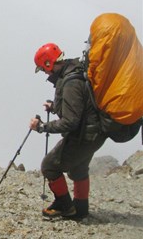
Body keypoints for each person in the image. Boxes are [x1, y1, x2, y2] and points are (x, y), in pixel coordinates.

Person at [29, 43, 106, 219]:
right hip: (94, 134)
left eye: (43, 69)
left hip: (84, 136)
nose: (45, 73)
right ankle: (80, 210)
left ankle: (64, 206)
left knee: (49, 166)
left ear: (49, 64)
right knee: (78, 170)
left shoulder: (71, 83)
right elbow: (79, 107)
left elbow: (70, 122)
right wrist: (56, 107)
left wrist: (41, 127)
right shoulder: (76, 72)